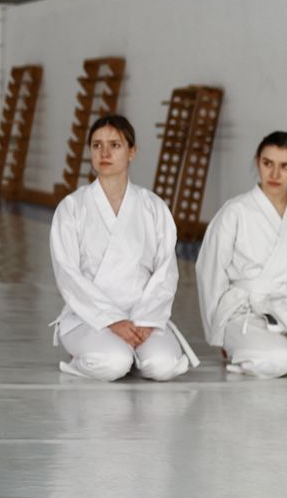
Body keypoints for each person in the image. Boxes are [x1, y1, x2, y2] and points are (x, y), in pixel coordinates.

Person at [48, 114, 198, 383]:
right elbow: (68, 274)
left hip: (143, 316)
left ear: (132, 152)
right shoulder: (72, 208)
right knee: (113, 363)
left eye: (115, 145)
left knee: (163, 366)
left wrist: (147, 318)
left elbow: (166, 271)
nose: (104, 153)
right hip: (89, 317)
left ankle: (133, 355)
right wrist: (111, 320)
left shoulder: (153, 206)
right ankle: (97, 358)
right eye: (97, 145)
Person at [196, 131, 287, 378]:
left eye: (285, 166)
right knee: (277, 360)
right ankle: (262, 349)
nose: (274, 174)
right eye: (268, 164)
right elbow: (210, 271)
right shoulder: (235, 211)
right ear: (258, 162)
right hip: (244, 310)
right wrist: (218, 332)